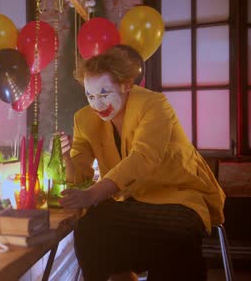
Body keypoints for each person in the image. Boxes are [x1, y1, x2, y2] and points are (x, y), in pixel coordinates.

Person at [57, 45, 226, 281]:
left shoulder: (154, 104)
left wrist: (95, 194)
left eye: (104, 93)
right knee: (89, 227)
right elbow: (81, 177)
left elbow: (144, 156)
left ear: (126, 84)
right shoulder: (84, 119)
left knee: (175, 234)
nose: (97, 104)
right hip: (132, 200)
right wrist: (65, 157)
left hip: (179, 196)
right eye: (90, 95)